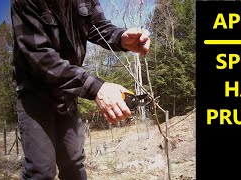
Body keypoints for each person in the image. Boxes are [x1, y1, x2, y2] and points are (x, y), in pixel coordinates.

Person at [11, 0, 150, 179]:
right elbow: (38, 56)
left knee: (74, 165)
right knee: (41, 171)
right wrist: (96, 88)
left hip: (67, 93)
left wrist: (120, 37)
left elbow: (99, 26)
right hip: (34, 94)